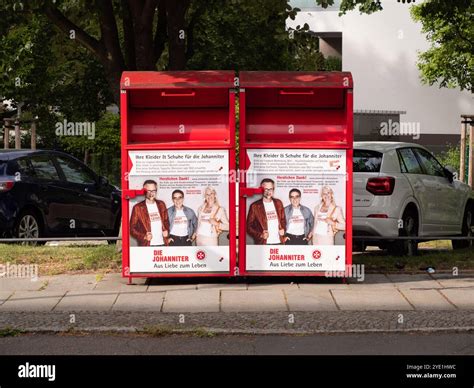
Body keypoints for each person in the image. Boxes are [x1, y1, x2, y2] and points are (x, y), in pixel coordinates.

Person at [130, 180, 169, 246]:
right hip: (147, 245)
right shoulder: (138, 207)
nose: (151, 193)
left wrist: (167, 230)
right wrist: (144, 236)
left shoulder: (161, 204)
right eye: (149, 191)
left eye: (154, 190)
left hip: (163, 243)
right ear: (144, 191)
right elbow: (132, 229)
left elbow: (166, 221)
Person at [246, 178, 286, 245]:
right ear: (261, 189)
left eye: (271, 189)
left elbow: (283, 220)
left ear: (273, 189)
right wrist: (260, 235)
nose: (268, 192)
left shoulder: (279, 203)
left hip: (279, 242)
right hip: (263, 243)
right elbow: (248, 227)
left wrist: (283, 229)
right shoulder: (254, 206)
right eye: (265, 189)